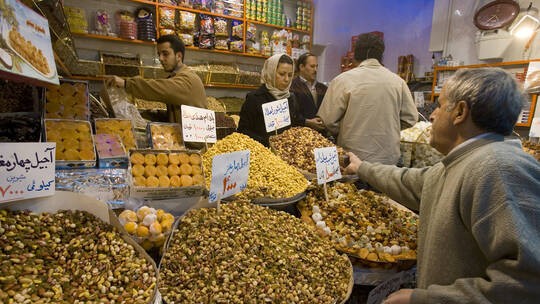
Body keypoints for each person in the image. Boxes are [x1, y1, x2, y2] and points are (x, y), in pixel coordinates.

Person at [345, 67, 540, 304]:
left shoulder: (499, 169)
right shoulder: (461, 163)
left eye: (439, 105)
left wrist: (427, 299)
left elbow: (527, 283)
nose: (433, 115)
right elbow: (410, 182)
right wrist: (361, 167)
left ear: (460, 112)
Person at [317, 33, 418, 165]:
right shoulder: (398, 82)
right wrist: (387, 128)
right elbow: (410, 118)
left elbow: (328, 120)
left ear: (355, 55)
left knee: (350, 187)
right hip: (387, 161)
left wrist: (348, 129)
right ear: (381, 55)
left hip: (352, 159)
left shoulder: (342, 80)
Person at [106, 34, 207, 123]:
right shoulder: (177, 76)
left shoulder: (187, 78)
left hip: (195, 144)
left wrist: (126, 83)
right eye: (159, 54)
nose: (161, 59)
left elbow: (159, 89)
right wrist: (152, 115)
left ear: (179, 56)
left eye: (165, 54)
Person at [237, 53, 323, 147]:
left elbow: (294, 121)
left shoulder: (291, 98)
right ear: (271, 72)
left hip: (286, 153)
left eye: (290, 75)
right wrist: (267, 142)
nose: (286, 79)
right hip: (262, 153)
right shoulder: (255, 98)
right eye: (282, 74)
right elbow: (243, 130)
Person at [290, 52, 327, 122]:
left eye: (317, 66)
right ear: (301, 67)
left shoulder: (323, 88)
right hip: (300, 131)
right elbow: (291, 114)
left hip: (321, 131)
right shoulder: (292, 86)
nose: (316, 70)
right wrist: (306, 122)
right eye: (312, 66)